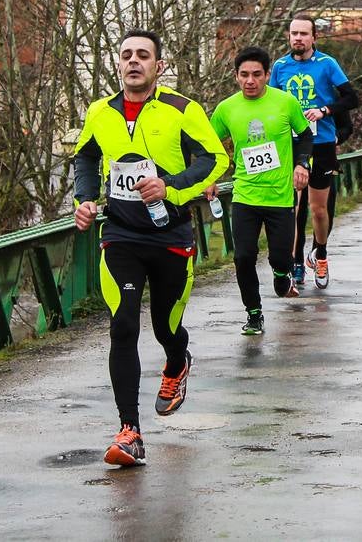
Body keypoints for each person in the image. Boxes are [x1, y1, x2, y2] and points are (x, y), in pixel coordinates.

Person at [73, 29, 229, 467]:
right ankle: (130, 432)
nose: (134, 61)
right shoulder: (100, 112)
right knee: (123, 325)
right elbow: (84, 158)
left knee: (165, 327)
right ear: (118, 64)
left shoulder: (183, 109)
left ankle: (177, 362)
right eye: (127, 55)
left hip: (172, 237)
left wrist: (172, 188)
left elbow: (215, 159)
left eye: (143, 55)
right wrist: (84, 200)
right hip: (121, 235)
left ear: (158, 66)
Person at [209, 47, 314, 333]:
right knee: (243, 256)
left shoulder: (285, 102)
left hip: (280, 196)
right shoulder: (226, 109)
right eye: (244, 75)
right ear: (236, 76)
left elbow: (305, 136)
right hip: (244, 195)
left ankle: (282, 276)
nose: (250, 81)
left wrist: (302, 164)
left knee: (281, 258)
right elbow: (206, 145)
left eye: (257, 74)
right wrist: (209, 177)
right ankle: (254, 313)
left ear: (267, 75)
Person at [268, 15, 358, 291]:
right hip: (291, 144)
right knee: (294, 208)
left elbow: (351, 98)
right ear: (288, 36)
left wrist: (324, 110)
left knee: (318, 210)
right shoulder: (280, 67)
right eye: (294, 33)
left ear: (313, 37)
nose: (298, 38)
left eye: (304, 34)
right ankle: (295, 263)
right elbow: (270, 104)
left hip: (322, 143)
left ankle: (320, 254)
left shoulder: (326, 64)